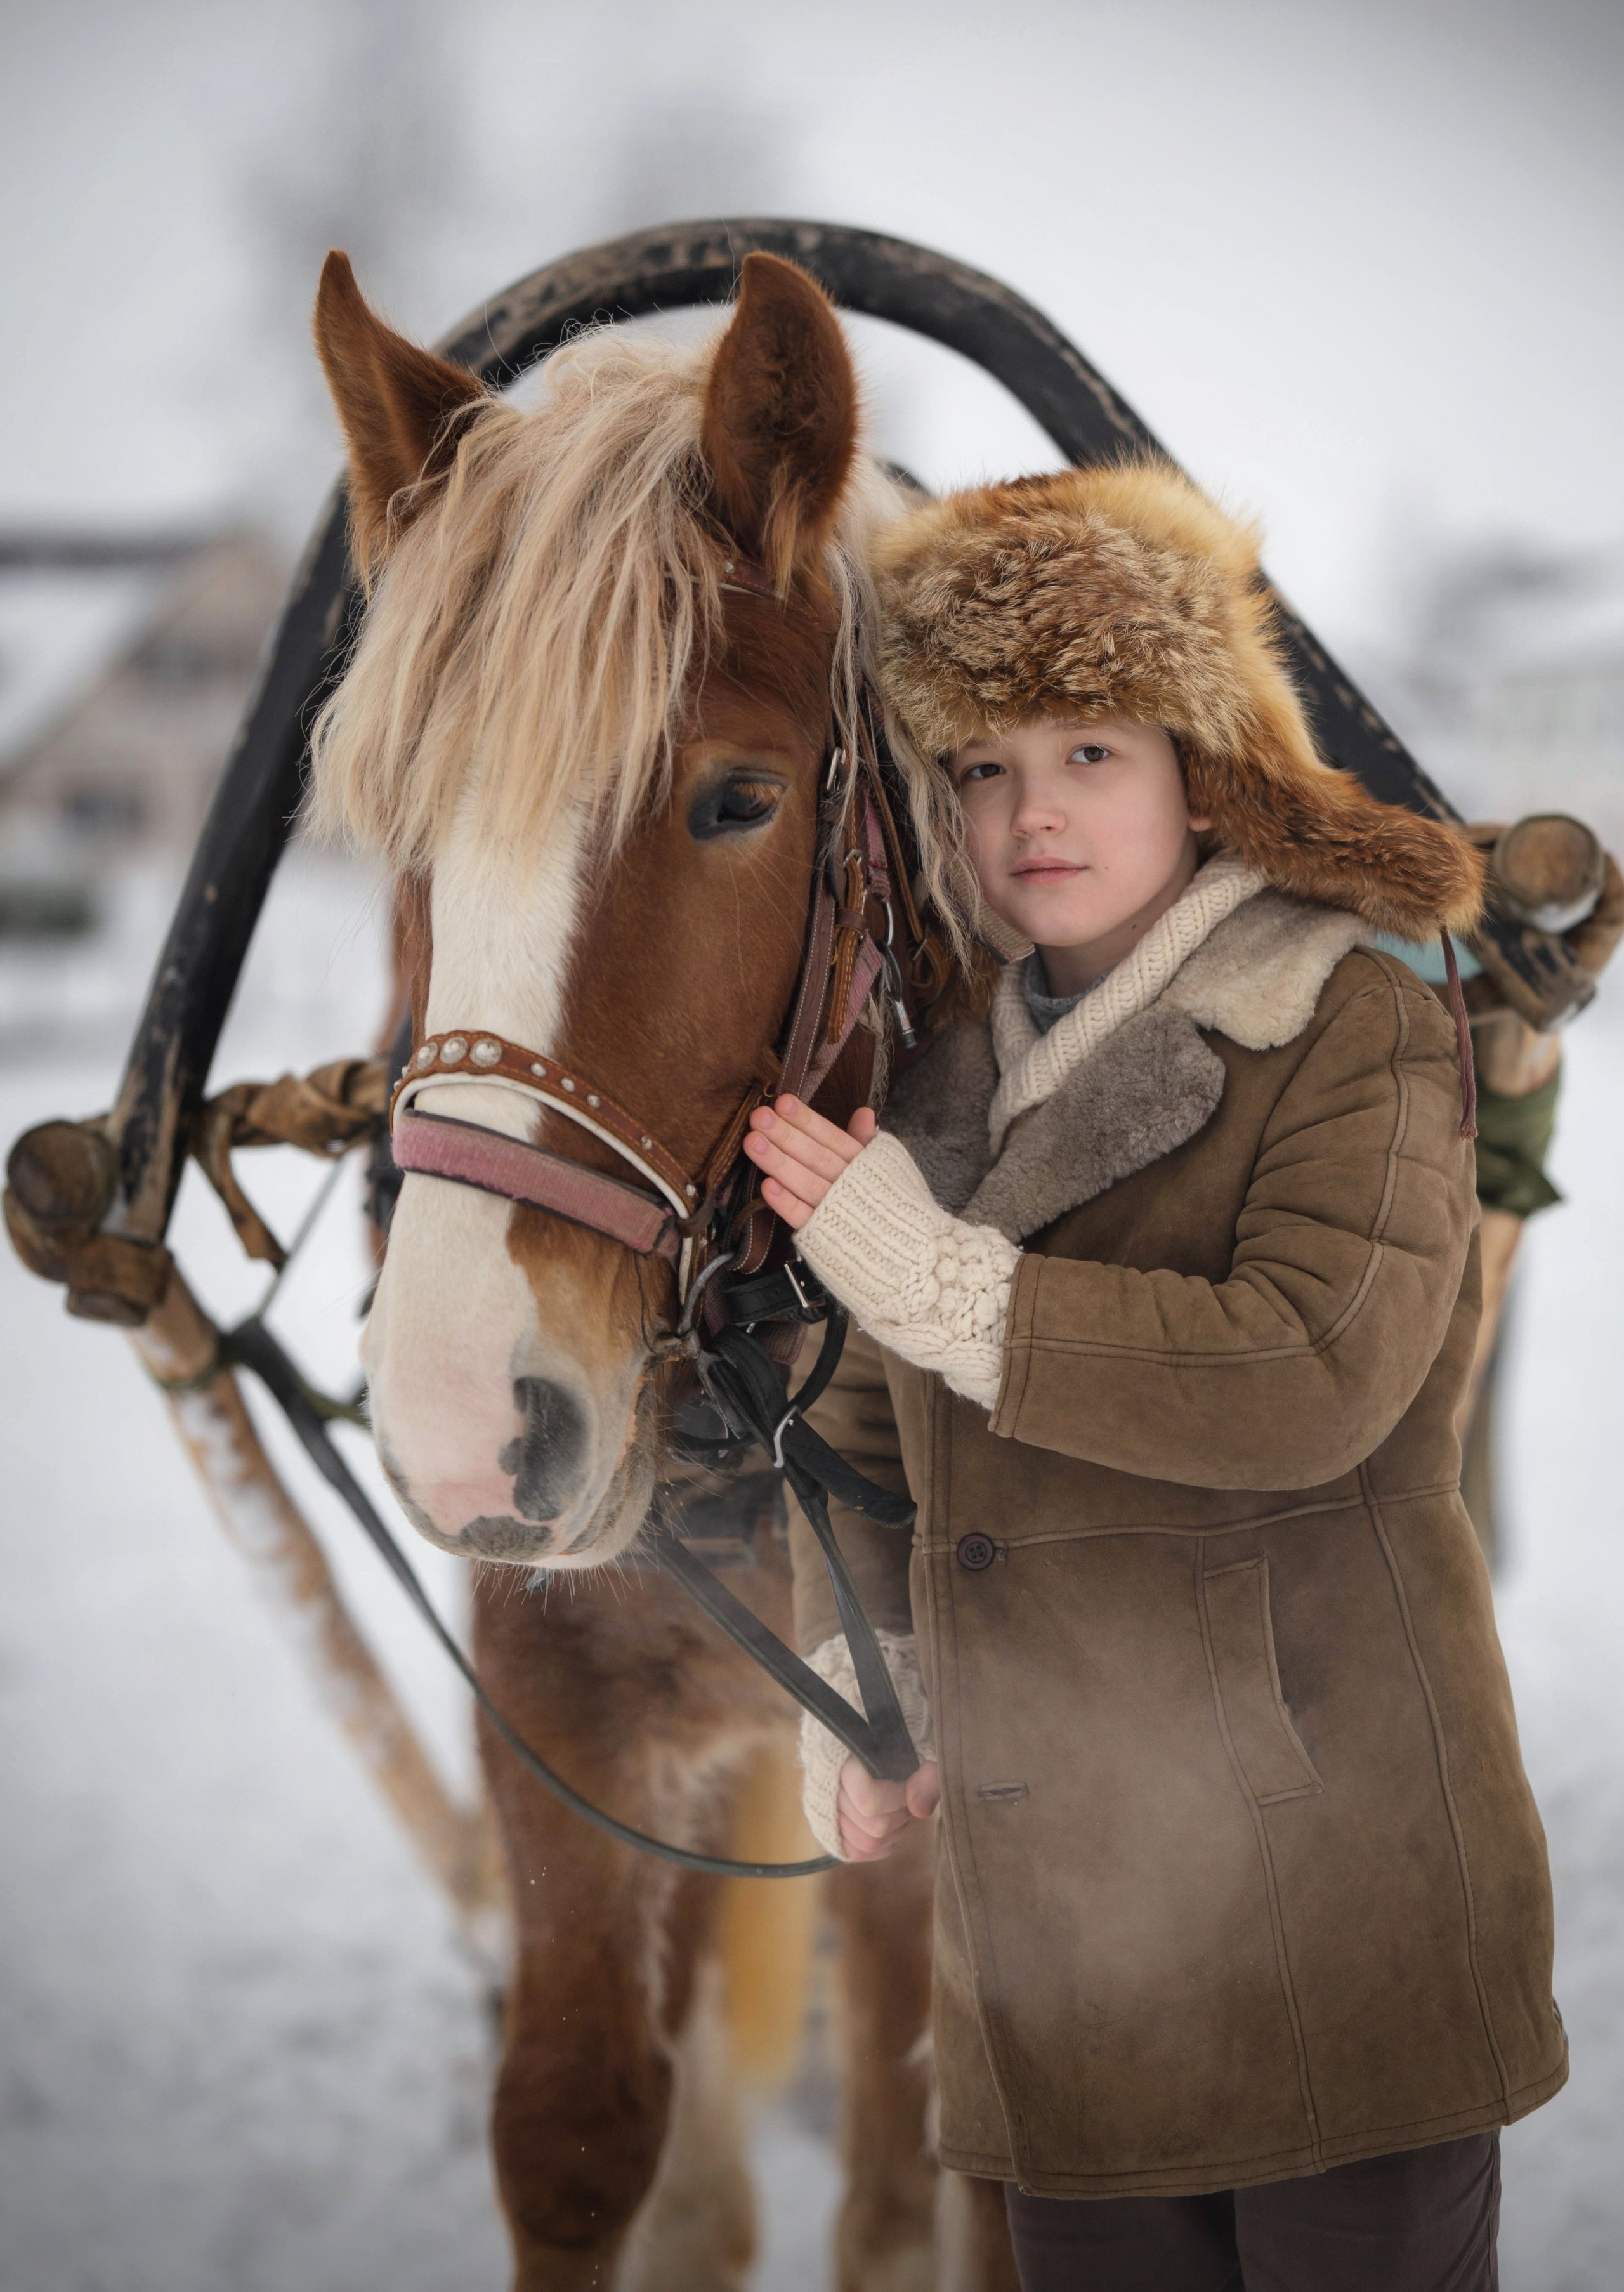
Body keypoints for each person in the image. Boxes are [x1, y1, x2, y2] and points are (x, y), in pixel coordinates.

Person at [740, 462, 1565, 2291]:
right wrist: (861, 1679)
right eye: (981, 766)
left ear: (1202, 768)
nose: (1031, 810)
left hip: (1325, 1890)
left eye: (1090, 751)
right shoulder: (941, 1067)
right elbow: (863, 1413)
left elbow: (1311, 1370)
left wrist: (946, 1281)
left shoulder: (1350, 1015)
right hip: (1060, 1949)